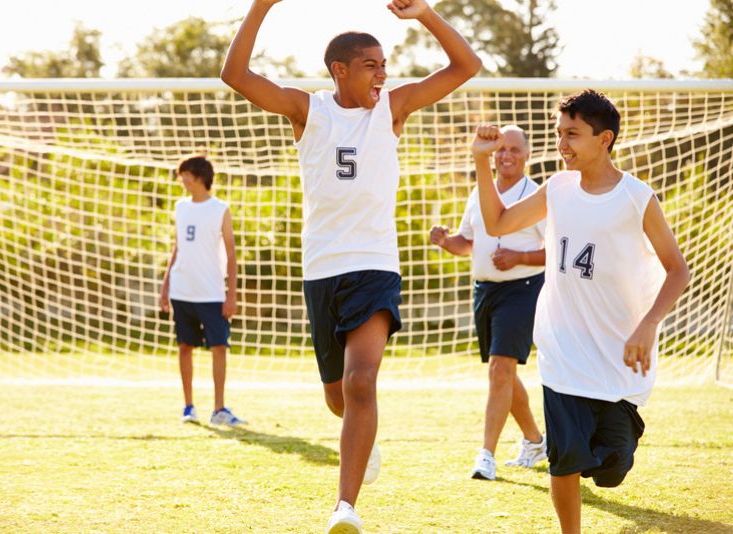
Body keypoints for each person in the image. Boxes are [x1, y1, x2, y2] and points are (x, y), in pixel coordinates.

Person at [221, 0, 481, 531]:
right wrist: (261, 6)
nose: (383, 74)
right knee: (339, 398)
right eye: (371, 65)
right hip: (321, 269)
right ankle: (364, 441)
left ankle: (345, 507)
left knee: (362, 384)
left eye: (385, 65)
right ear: (339, 70)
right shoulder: (307, 110)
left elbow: (465, 67)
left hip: (375, 265)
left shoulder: (394, 109)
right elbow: (235, 74)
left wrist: (425, 15)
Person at [471, 90, 690, 533]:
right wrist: (481, 161)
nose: (561, 144)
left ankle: (613, 440)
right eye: (558, 134)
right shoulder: (558, 187)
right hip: (561, 351)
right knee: (565, 458)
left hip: (616, 356)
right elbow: (496, 224)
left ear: (604, 138)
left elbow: (678, 271)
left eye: (572, 134)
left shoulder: (636, 197)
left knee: (611, 467)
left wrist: (647, 325)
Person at [429, 124, 547, 481]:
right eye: (500, 149)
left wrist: (518, 257)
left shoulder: (537, 196)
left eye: (514, 149)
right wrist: (445, 241)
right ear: (491, 155)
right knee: (502, 373)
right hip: (485, 291)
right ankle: (535, 440)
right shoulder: (478, 193)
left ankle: (486, 456)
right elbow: (467, 242)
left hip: (523, 288)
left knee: (500, 368)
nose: (506, 155)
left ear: (527, 155)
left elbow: (555, 251)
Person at [159, 155, 246, 428]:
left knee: (218, 347)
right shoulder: (180, 207)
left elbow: (231, 254)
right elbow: (177, 248)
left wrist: (231, 294)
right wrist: (165, 286)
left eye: (185, 174)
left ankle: (219, 408)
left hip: (211, 292)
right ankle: (189, 406)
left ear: (198, 177)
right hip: (183, 290)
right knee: (185, 347)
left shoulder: (220, 209)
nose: (181, 179)